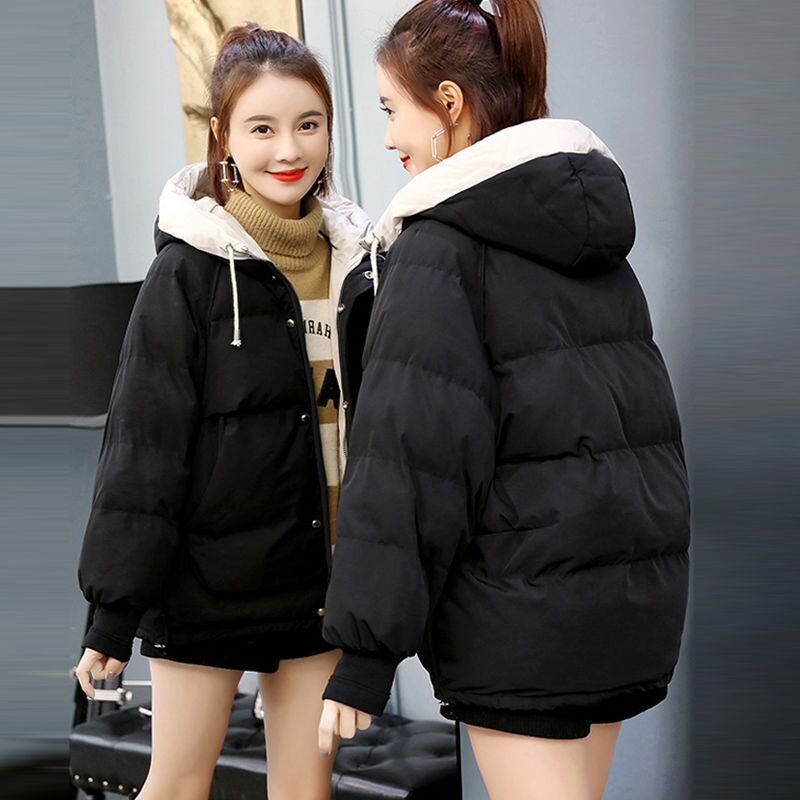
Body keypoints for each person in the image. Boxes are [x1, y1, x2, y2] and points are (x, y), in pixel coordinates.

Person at [317, 2, 691, 798]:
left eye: (391, 109)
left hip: (517, 615)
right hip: (625, 601)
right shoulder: (593, 238)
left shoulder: (439, 247)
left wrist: (366, 651)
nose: (388, 137)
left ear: (449, 103)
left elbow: (411, 456)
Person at [73, 24, 375, 799]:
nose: (290, 149)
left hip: (321, 582)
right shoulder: (186, 273)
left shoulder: (360, 268)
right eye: (262, 128)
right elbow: (143, 449)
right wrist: (112, 613)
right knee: (178, 785)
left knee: (305, 791)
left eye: (308, 124)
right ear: (223, 137)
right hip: (207, 584)